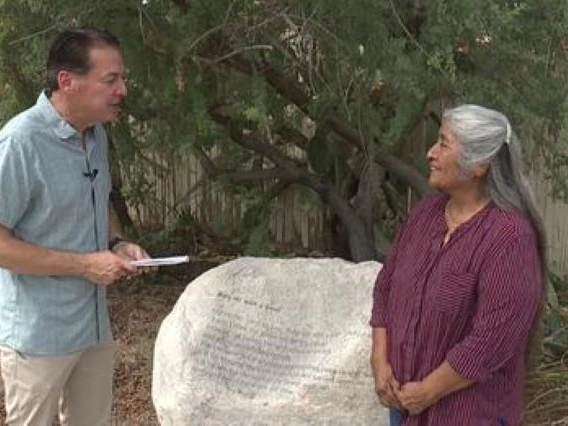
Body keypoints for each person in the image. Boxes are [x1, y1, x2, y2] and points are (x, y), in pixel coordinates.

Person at [0, 27, 151, 425]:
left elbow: (93, 202)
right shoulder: (20, 143)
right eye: (111, 79)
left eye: (123, 78)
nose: (122, 89)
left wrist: (116, 243)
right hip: (38, 338)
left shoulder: (96, 135)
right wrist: (86, 265)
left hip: (93, 327)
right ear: (67, 81)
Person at [370, 104, 546, 426]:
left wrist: (429, 390)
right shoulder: (426, 215)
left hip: (469, 415)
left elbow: (491, 341)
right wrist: (380, 362)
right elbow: (386, 287)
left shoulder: (509, 239)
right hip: (406, 407)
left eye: (443, 143)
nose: (430, 153)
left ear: (478, 165)